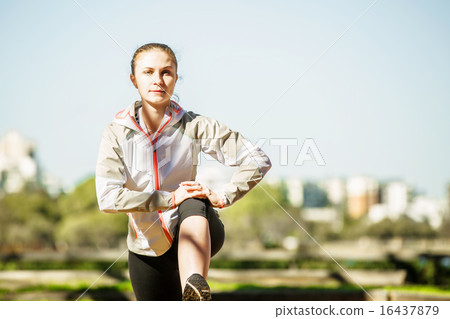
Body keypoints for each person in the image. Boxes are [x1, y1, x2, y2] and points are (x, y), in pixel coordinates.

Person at [95, 43, 271, 301]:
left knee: (191, 197)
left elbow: (257, 158)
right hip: (146, 249)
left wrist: (224, 195)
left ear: (176, 78)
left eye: (166, 72)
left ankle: (195, 286)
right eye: (148, 72)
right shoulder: (116, 133)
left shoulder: (195, 125)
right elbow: (107, 198)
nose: (158, 80)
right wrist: (168, 199)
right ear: (133, 79)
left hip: (197, 228)